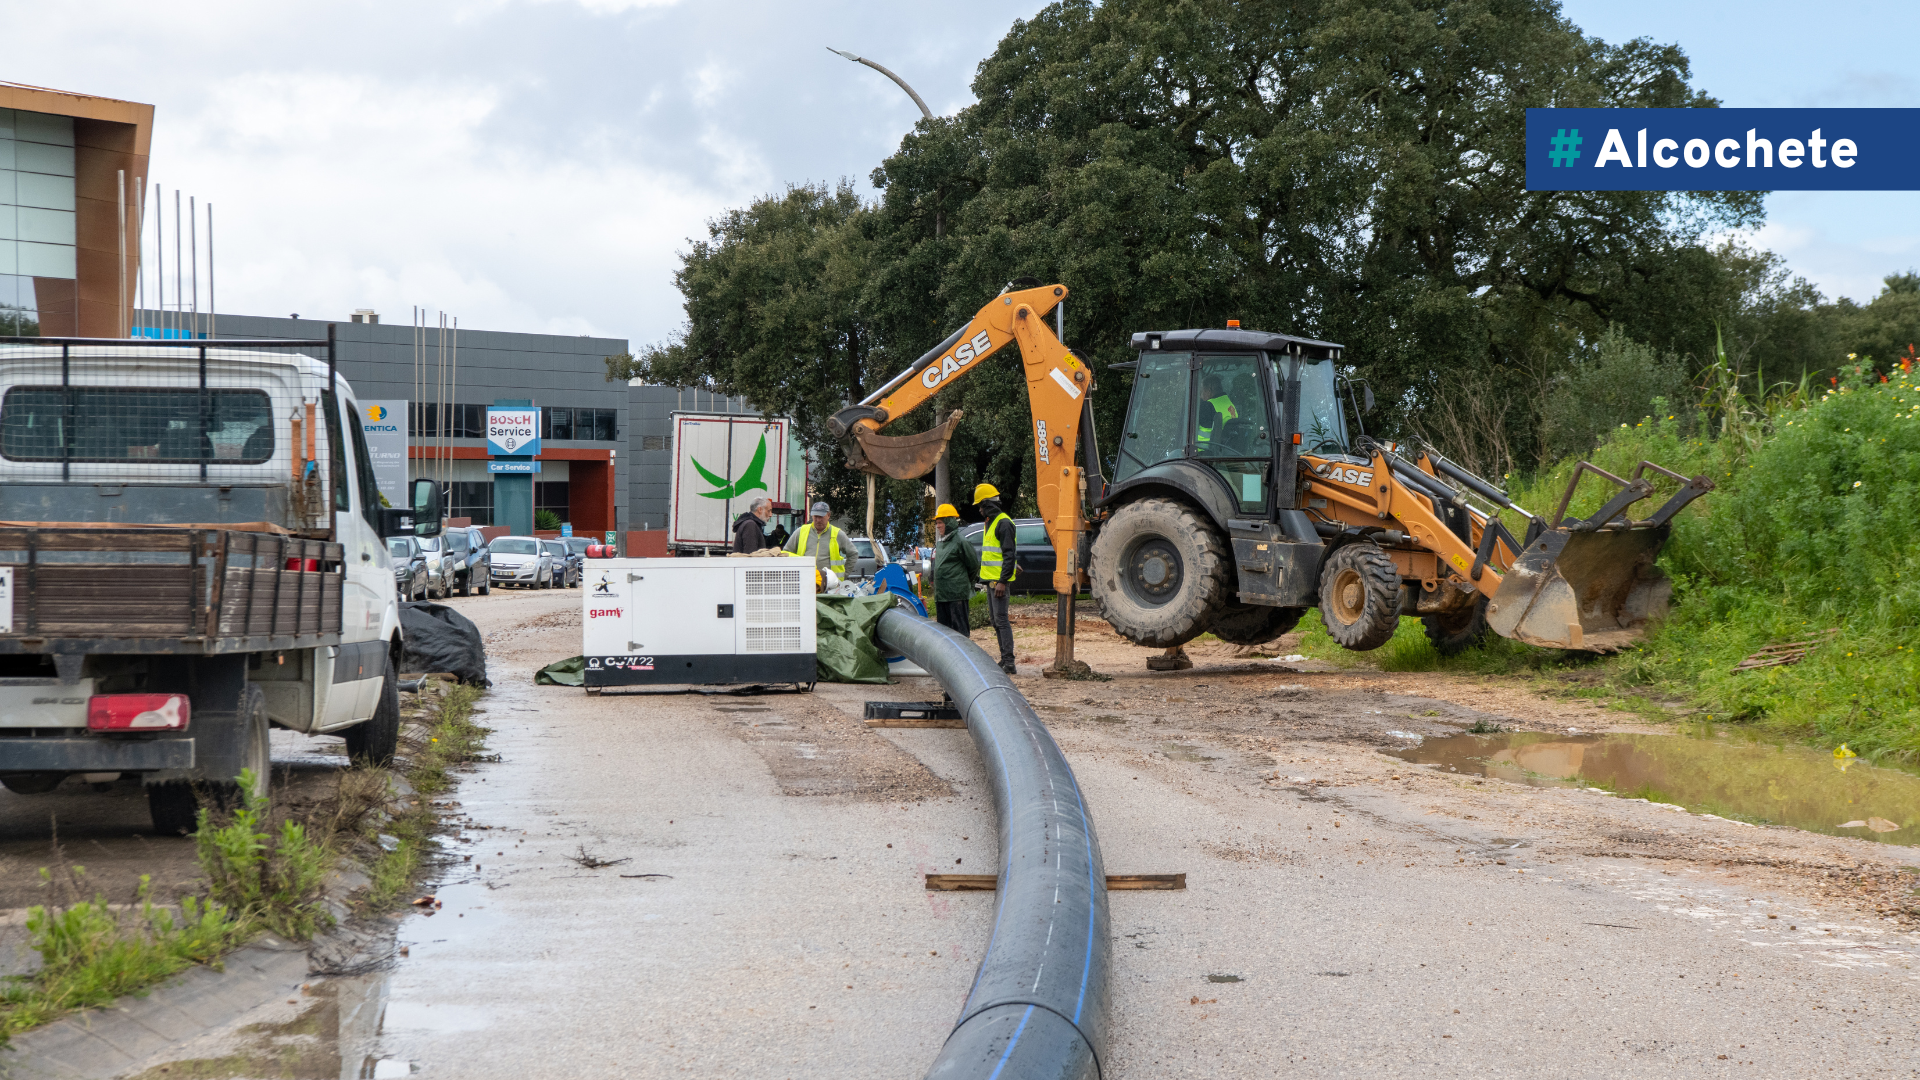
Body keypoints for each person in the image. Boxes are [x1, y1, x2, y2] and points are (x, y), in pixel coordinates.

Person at [973, 482, 1018, 674]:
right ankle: (1004, 660)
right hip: (992, 581)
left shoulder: (1003, 523)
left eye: (981, 506)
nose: (980, 510)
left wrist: (1003, 581)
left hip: (999, 583)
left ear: (987, 503)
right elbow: (1001, 554)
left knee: (1001, 620)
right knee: (995, 620)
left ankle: (1009, 662)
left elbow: (1009, 554)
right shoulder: (991, 522)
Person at [931, 503, 977, 639]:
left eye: (940, 522)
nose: (938, 526)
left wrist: (962, 584)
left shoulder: (961, 541)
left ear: (949, 522)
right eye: (937, 523)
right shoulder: (940, 542)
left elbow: (973, 566)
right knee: (944, 633)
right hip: (941, 595)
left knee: (960, 632)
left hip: (956, 595)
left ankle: (964, 657)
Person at [783, 500, 848, 576]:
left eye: (821, 517)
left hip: (829, 582)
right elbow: (785, 553)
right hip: (805, 578)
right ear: (811, 516)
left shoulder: (837, 533)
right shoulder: (800, 531)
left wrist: (845, 574)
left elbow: (853, 554)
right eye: (815, 516)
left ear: (828, 515)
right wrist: (803, 561)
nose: (818, 520)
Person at [1196, 372, 1238, 450]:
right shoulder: (1230, 405)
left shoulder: (1208, 406)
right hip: (1223, 450)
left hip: (1202, 452)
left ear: (1208, 391)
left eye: (1201, 392)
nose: (1200, 396)